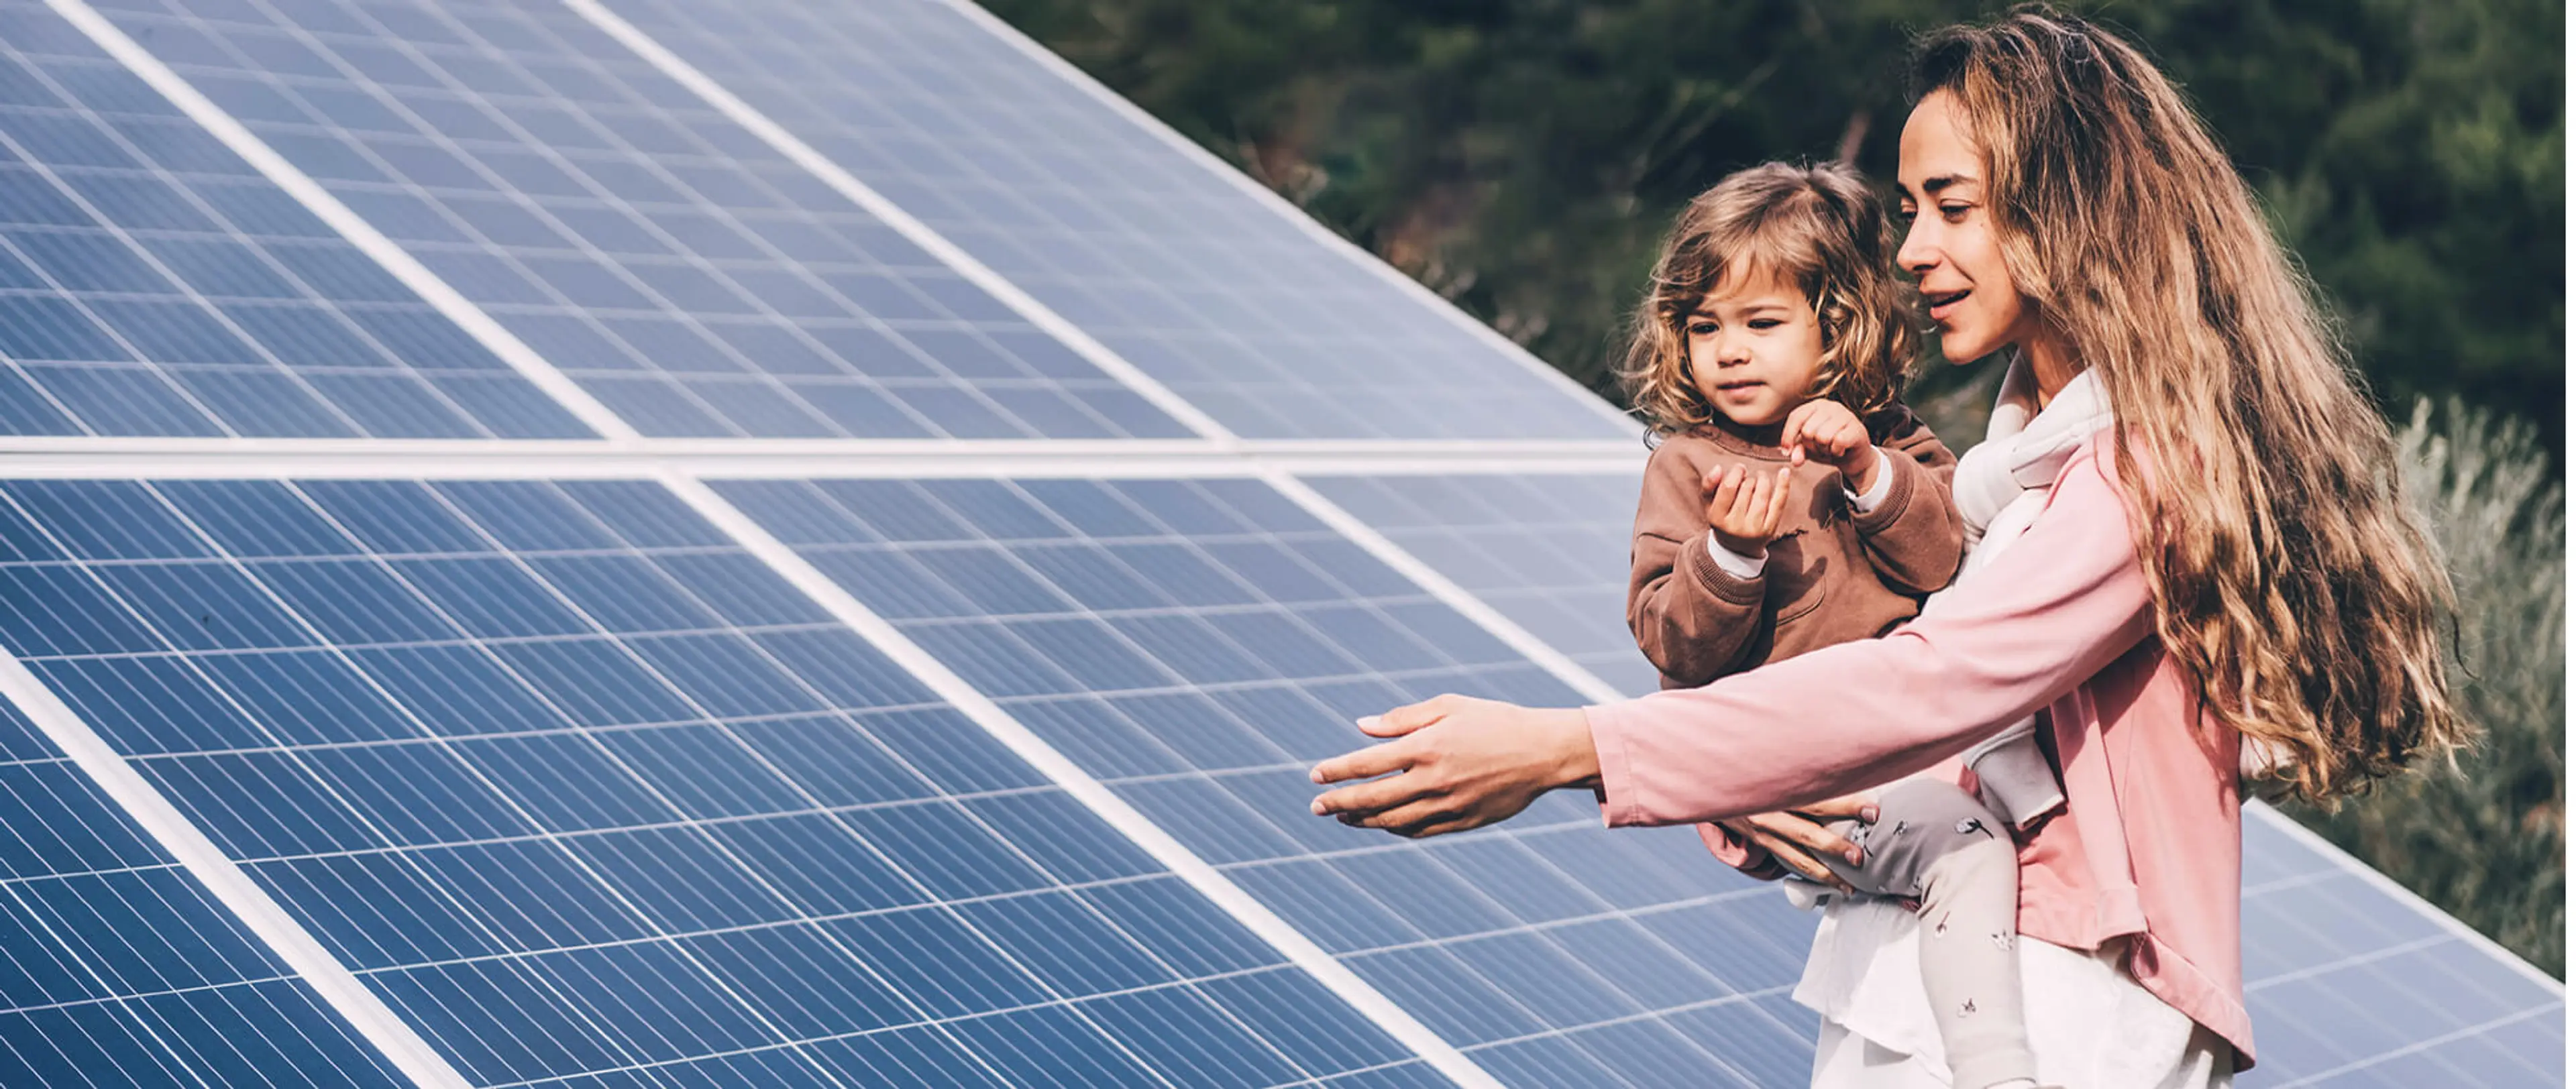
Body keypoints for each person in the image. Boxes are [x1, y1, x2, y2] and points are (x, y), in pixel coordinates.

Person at [1306, 8, 2465, 1088]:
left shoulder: (2146, 474)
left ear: (2073, 214)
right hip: (1918, 978)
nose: (1911, 250)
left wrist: (1572, 749)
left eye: (1952, 206)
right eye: (1911, 209)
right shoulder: (2010, 479)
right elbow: (1886, 704)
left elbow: (1936, 684)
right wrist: (1766, 774)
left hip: (2064, 999)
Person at [1618, 160, 2052, 1089]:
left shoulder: (1891, 439)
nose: (1729, 351)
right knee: (1972, 851)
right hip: (1801, 782)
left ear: (1837, 329)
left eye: (1762, 323)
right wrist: (1731, 553)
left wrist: (1866, 475)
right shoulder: (1691, 470)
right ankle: (1997, 1069)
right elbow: (1672, 641)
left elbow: (1941, 561)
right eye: (1705, 328)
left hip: (1900, 747)